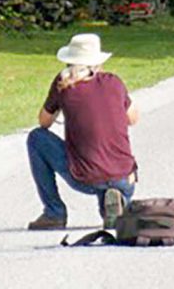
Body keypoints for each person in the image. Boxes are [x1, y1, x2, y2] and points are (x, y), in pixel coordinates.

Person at [26, 33, 139, 230]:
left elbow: (43, 122)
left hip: (85, 178)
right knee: (110, 169)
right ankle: (114, 201)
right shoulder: (114, 82)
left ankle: (54, 213)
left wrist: (63, 105)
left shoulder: (64, 83)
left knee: (36, 138)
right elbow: (133, 118)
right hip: (125, 176)